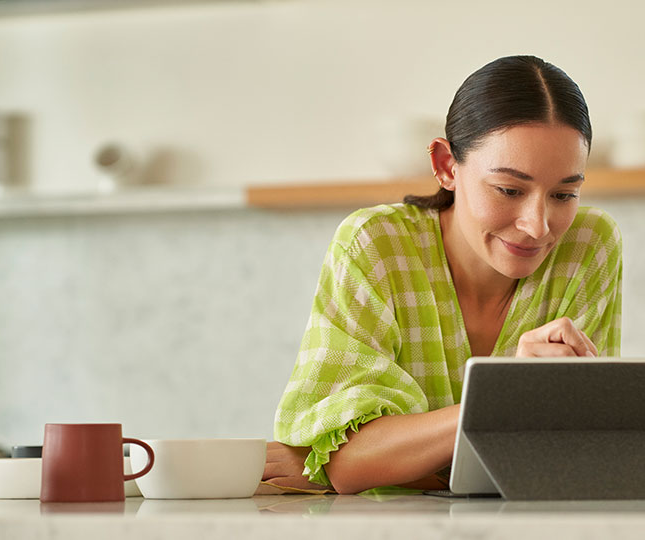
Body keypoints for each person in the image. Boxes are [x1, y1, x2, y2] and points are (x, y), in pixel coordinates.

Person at [264, 55, 622, 494]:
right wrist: (504, 393)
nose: (538, 225)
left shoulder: (589, 244)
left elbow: (576, 453)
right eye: (509, 190)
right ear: (447, 166)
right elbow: (348, 463)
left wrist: (403, 464)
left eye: (565, 193)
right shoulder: (375, 245)